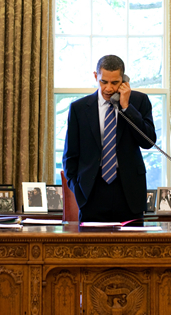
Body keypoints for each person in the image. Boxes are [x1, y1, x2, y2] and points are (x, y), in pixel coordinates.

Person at [63, 55, 157, 222]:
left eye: (115, 83)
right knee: (92, 247)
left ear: (124, 80)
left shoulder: (139, 101)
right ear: (95, 76)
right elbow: (70, 156)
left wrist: (127, 107)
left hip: (128, 191)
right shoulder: (78, 108)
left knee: (133, 247)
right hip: (92, 191)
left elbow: (148, 141)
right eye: (103, 82)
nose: (108, 88)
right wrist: (78, 189)